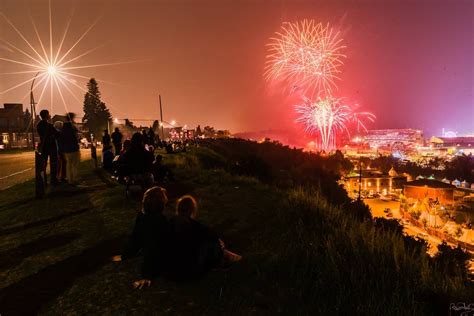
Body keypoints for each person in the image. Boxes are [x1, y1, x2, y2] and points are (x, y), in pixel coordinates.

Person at [169, 195, 241, 280]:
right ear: (192, 210)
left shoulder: (170, 223)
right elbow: (213, 236)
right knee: (213, 245)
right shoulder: (194, 226)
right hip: (189, 266)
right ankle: (231, 261)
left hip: (174, 264)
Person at [112, 186, 172, 289]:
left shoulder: (142, 217)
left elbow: (135, 238)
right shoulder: (160, 222)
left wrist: (126, 255)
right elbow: (154, 248)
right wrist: (147, 275)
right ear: (162, 205)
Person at [36, 109, 59, 185]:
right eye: (48, 114)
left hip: (43, 146)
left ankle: (44, 181)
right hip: (51, 146)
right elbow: (57, 134)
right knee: (53, 164)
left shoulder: (38, 125)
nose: (50, 115)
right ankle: (53, 180)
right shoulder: (49, 125)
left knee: (43, 165)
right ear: (46, 115)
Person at [60, 113, 80, 185]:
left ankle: (69, 180)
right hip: (73, 148)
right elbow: (76, 137)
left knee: (68, 165)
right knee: (75, 165)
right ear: (72, 118)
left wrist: (62, 149)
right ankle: (74, 179)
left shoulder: (63, 128)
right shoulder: (72, 127)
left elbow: (61, 139)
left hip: (66, 150)